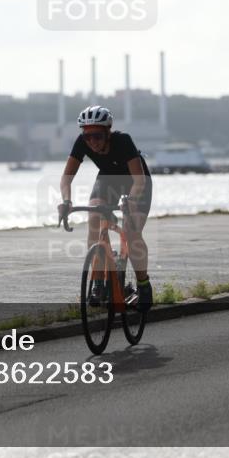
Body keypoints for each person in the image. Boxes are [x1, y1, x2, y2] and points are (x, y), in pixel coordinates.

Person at [58, 105, 153, 311]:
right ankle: (99, 282)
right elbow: (66, 179)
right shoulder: (82, 143)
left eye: (97, 136)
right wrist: (66, 201)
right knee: (94, 216)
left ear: (108, 133)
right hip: (108, 180)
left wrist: (131, 199)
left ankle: (144, 285)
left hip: (136, 182)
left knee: (131, 231)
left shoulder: (123, 140)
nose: (92, 141)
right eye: (87, 137)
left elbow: (139, 181)